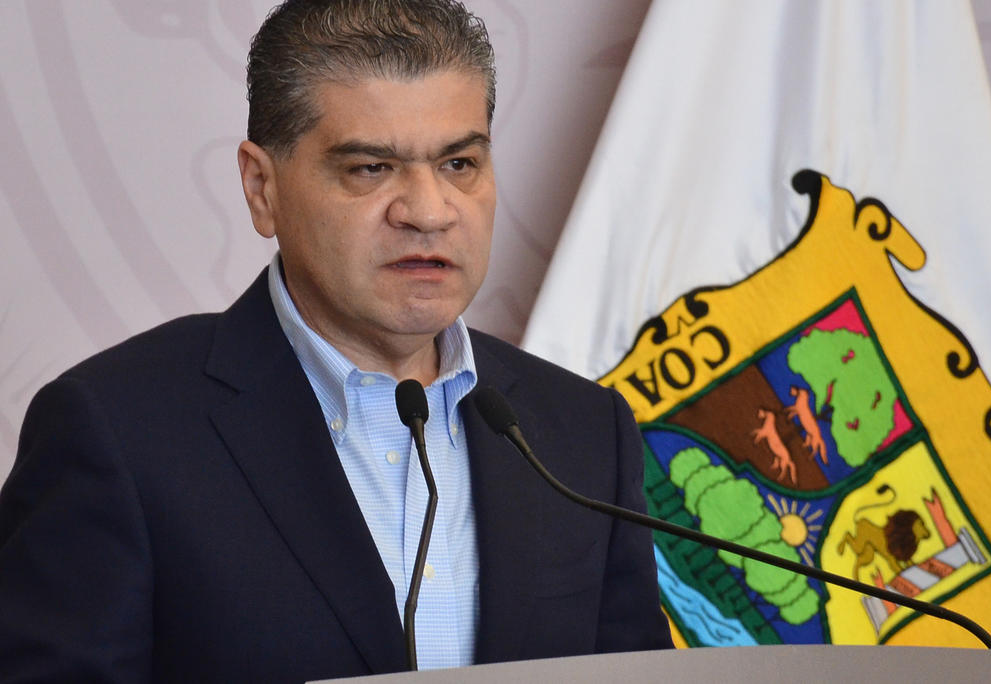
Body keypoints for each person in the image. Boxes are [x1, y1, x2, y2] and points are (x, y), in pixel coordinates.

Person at [0, 0, 672, 681]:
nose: (429, 212)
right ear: (262, 189)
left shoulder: (584, 433)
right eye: (371, 168)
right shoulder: (117, 431)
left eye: (459, 163)